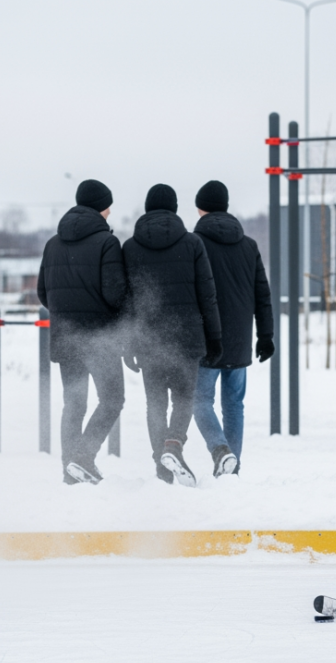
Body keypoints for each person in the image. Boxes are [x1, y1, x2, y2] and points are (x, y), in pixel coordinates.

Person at [122, 184, 222, 487]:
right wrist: (214, 339)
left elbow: (125, 299)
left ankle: (162, 469)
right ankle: (173, 446)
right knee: (183, 399)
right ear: (175, 209)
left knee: (155, 405)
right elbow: (208, 295)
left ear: (147, 208)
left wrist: (128, 344)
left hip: (148, 339)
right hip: (187, 337)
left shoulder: (130, 247)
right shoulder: (192, 244)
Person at [37, 179, 127, 485]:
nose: (110, 211)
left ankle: (70, 469)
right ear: (101, 207)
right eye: (108, 205)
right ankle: (83, 457)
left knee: (74, 403)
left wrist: (66, 313)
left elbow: (43, 292)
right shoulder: (106, 243)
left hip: (64, 336)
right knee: (113, 399)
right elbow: (116, 295)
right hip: (100, 339)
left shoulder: (52, 243)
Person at [190, 181, 274, 477]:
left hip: (206, 339)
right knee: (234, 405)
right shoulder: (248, 245)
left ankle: (220, 450)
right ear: (225, 206)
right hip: (240, 338)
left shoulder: (194, 243)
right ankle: (230, 467)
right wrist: (266, 336)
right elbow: (262, 295)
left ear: (200, 208)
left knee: (198, 400)